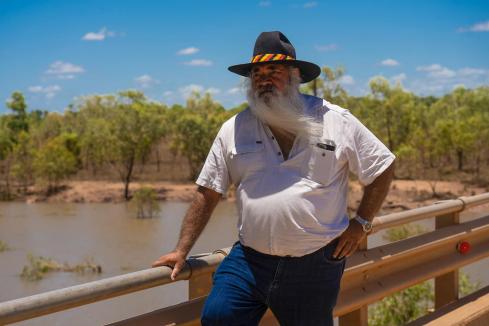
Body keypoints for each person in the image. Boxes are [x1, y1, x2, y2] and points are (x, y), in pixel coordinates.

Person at [152, 31, 395, 325]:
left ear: (294, 76)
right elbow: (208, 192)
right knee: (217, 318)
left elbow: (382, 166)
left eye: (273, 71)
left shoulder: (334, 120)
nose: (264, 79)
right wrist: (181, 250)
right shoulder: (235, 128)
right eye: (257, 73)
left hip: (315, 265)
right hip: (250, 260)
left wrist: (362, 223)